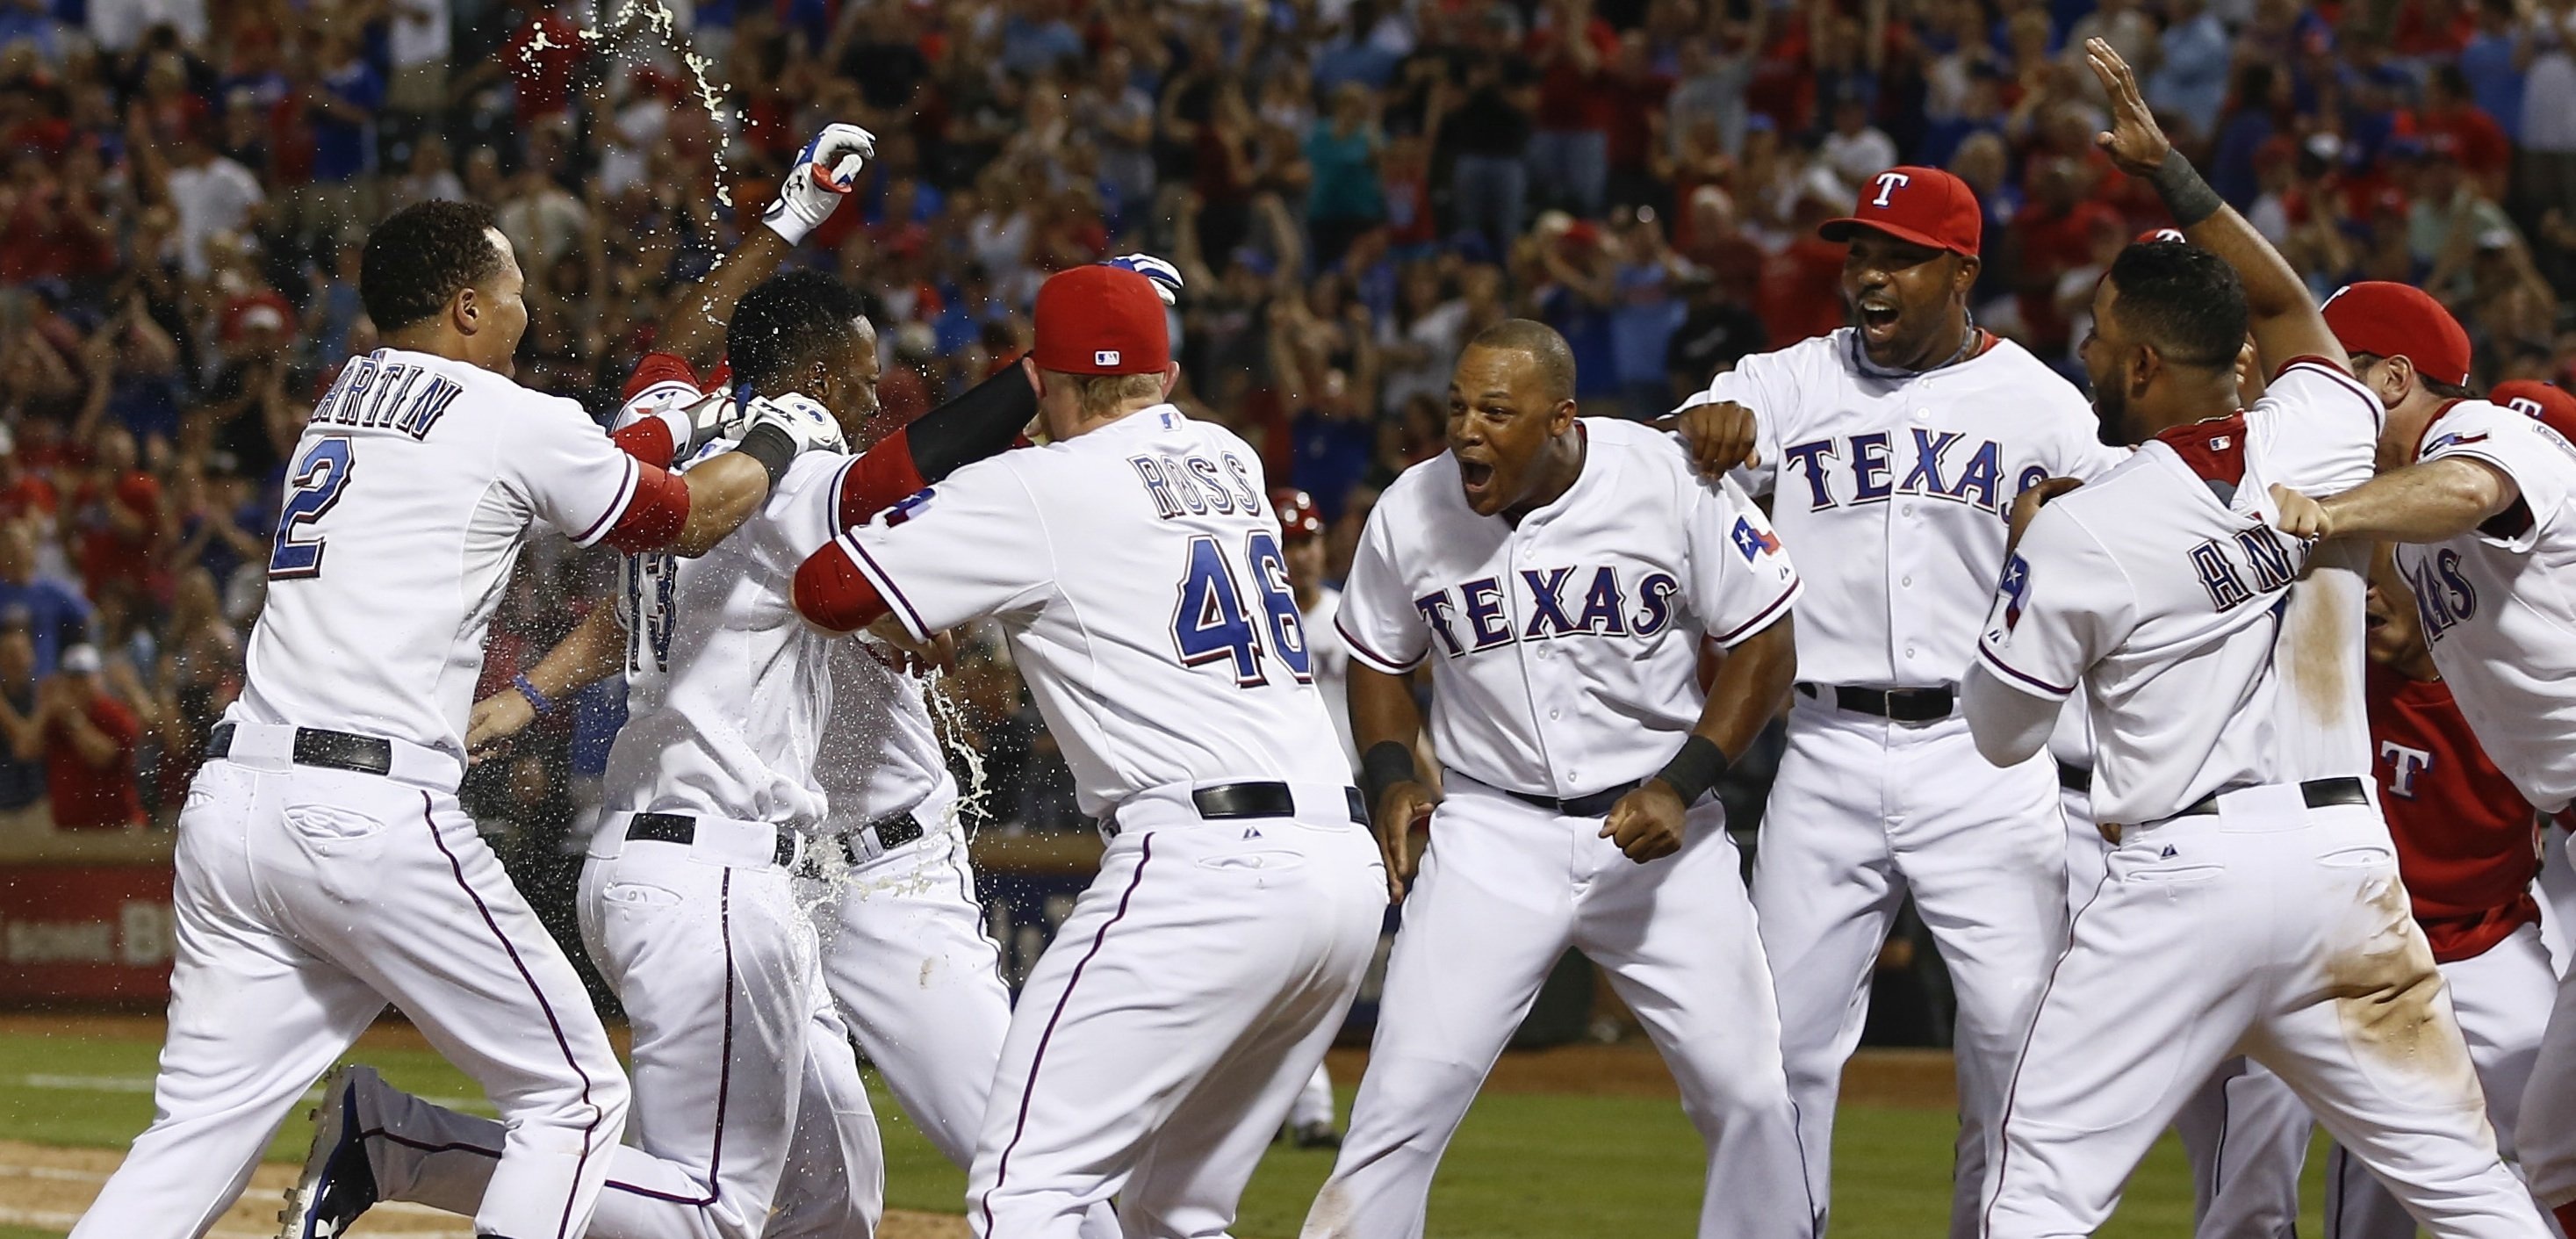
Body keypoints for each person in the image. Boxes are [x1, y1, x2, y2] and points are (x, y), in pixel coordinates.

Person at [75, 185, 849, 1238]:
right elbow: (681, 518)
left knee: (193, 1132)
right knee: (574, 1096)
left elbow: (622, 452)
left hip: (234, 807)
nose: (530, 311)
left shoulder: (345, 392)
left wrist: (680, 388)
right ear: (470, 311)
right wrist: (778, 442)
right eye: (514, 290)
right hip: (361, 814)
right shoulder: (502, 414)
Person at [1964, 40, 2547, 1238]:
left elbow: (1997, 729)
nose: (2081, 351)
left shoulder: (2085, 527)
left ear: (2134, 360)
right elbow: (2284, 304)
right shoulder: (2323, 428)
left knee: (2038, 1190)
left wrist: (2021, 571)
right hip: (2344, 868)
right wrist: (2171, 172)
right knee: (2468, 1183)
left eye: (2093, 333)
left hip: (2181, 879)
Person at [285, 126, 903, 1239]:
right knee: (702, 1202)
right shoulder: (804, 468)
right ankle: (396, 1139)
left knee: (833, 1194)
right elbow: (837, 489)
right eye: (859, 382)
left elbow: (675, 348)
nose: (873, 401)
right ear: (812, 378)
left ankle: (398, 1138)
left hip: (678, 857)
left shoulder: (660, 427)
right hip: (710, 875)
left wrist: (787, 223)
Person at [791, 263, 1386, 1239]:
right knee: (1173, 1206)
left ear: (1045, 381)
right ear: (1171, 373)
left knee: (1025, 1190)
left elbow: (825, 588)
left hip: (1201, 868)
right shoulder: (1228, 456)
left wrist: (1015, 407)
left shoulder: (1032, 486)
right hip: (1340, 873)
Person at [1662, 161, 2126, 1235]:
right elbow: (1690, 430)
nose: (1867, 274)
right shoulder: (1787, 379)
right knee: (1774, 1042)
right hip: (1822, 747)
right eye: (1858, 252)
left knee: (2016, 1033)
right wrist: (1707, 426)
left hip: (1985, 752)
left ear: (1960, 271)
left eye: (1898, 258)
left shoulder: (2043, 404)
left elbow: (2122, 546)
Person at [1300, 320, 1809, 1238]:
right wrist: (1387, 777)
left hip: (1662, 834)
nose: (1466, 430)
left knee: (1750, 1094)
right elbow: (1378, 658)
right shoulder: (1412, 509)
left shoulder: (1666, 478)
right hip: (1493, 835)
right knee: (1397, 1106)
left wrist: (1684, 777)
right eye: (1458, 406)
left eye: (1497, 411)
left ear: (1562, 419)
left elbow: (1766, 648)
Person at [2268, 296, 2576, 1239]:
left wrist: (2325, 510)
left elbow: (2474, 485)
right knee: (2556, 1147)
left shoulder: (2481, 427)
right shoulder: (2420, 529)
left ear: (2394, 379)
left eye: (2336, 375)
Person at [1274, 486, 1349, 1149]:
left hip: (1349, 808)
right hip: (1279, 807)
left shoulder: (1348, 617)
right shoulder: (1257, 621)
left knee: (1309, 966)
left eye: (1309, 539)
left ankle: (1294, 1104)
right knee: (1288, 961)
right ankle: (1306, 1107)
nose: (1301, 554)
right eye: (1290, 541)